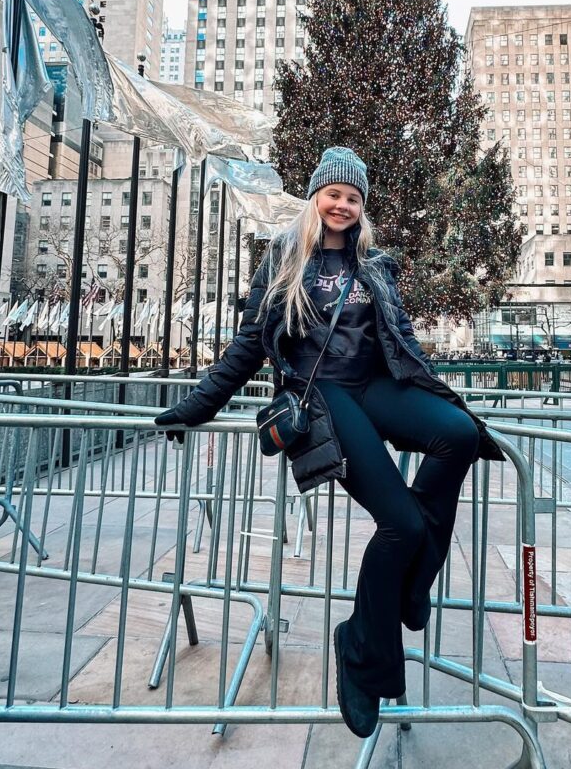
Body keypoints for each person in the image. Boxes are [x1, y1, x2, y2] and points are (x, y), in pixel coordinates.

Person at [154, 147, 503, 738]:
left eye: (353, 196)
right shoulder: (285, 257)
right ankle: (363, 655)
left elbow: (403, 340)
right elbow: (248, 344)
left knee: (460, 433)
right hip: (324, 399)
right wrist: (195, 406)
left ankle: (415, 580)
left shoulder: (376, 263)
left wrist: (431, 389)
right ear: (315, 197)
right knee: (403, 524)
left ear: (362, 206)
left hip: (376, 385)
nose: (342, 204)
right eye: (333, 193)